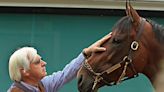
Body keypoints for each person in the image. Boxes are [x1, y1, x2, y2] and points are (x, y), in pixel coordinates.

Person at [7, 33, 112, 92]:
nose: (44, 63)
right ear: (25, 71)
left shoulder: (42, 84)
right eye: (37, 62)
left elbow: (65, 74)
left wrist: (86, 53)